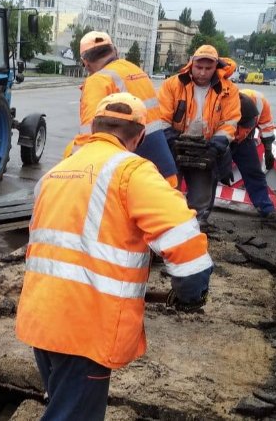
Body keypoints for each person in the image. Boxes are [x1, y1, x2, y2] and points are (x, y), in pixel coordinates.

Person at [16, 93, 213, 421]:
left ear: (94, 128)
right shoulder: (131, 171)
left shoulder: (56, 174)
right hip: (86, 329)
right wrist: (192, 292)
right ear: (138, 137)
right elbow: (183, 236)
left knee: (63, 404)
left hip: (42, 318)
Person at [64, 31, 178, 187]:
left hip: (133, 175)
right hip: (162, 167)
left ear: (86, 62)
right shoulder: (135, 70)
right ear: (114, 51)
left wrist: (70, 169)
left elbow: (88, 135)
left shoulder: (98, 80)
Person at [158, 44, 241, 224]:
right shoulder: (173, 85)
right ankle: (168, 228)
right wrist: (171, 140)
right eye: (199, 67)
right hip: (175, 146)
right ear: (191, 64)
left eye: (208, 68)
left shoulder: (228, 90)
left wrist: (216, 146)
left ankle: (196, 229)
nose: (203, 73)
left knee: (201, 197)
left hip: (206, 148)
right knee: (168, 194)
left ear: (216, 68)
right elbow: (162, 116)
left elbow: (229, 121)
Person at [218, 89, 276, 222]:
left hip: (245, 140)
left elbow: (266, 126)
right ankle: (200, 213)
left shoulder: (260, 102)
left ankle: (267, 210)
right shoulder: (222, 103)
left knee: (254, 173)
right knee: (209, 175)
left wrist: (268, 150)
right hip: (221, 138)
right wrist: (222, 164)